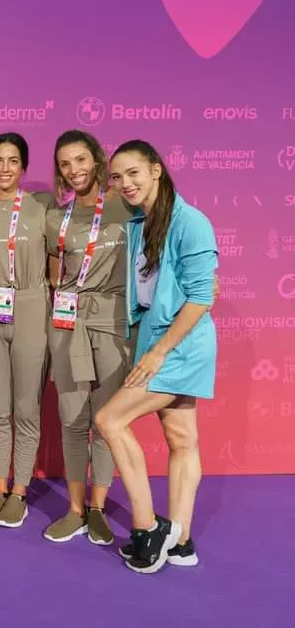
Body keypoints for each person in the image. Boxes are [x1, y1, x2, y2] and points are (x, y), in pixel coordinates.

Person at [98, 139, 217, 574]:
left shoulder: (191, 222)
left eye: (133, 173)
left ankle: (148, 528)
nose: (125, 183)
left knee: (110, 419)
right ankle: (182, 541)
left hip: (181, 344)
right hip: (154, 335)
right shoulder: (140, 222)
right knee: (182, 439)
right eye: (117, 176)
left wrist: (159, 352)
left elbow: (202, 297)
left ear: (156, 170)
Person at [42, 130, 133, 547]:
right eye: (65, 164)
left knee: (105, 420)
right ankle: (76, 509)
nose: (74, 170)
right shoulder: (56, 217)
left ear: (97, 160)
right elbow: (50, 275)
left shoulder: (128, 207)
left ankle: (97, 507)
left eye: (80, 160)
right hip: (67, 325)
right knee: (73, 420)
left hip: (113, 324)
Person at [0, 134, 55, 528]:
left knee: (26, 407)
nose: (4, 168)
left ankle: (20, 491)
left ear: (23, 167)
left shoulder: (42, 208)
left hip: (32, 304)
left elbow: (65, 251)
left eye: (13, 161)